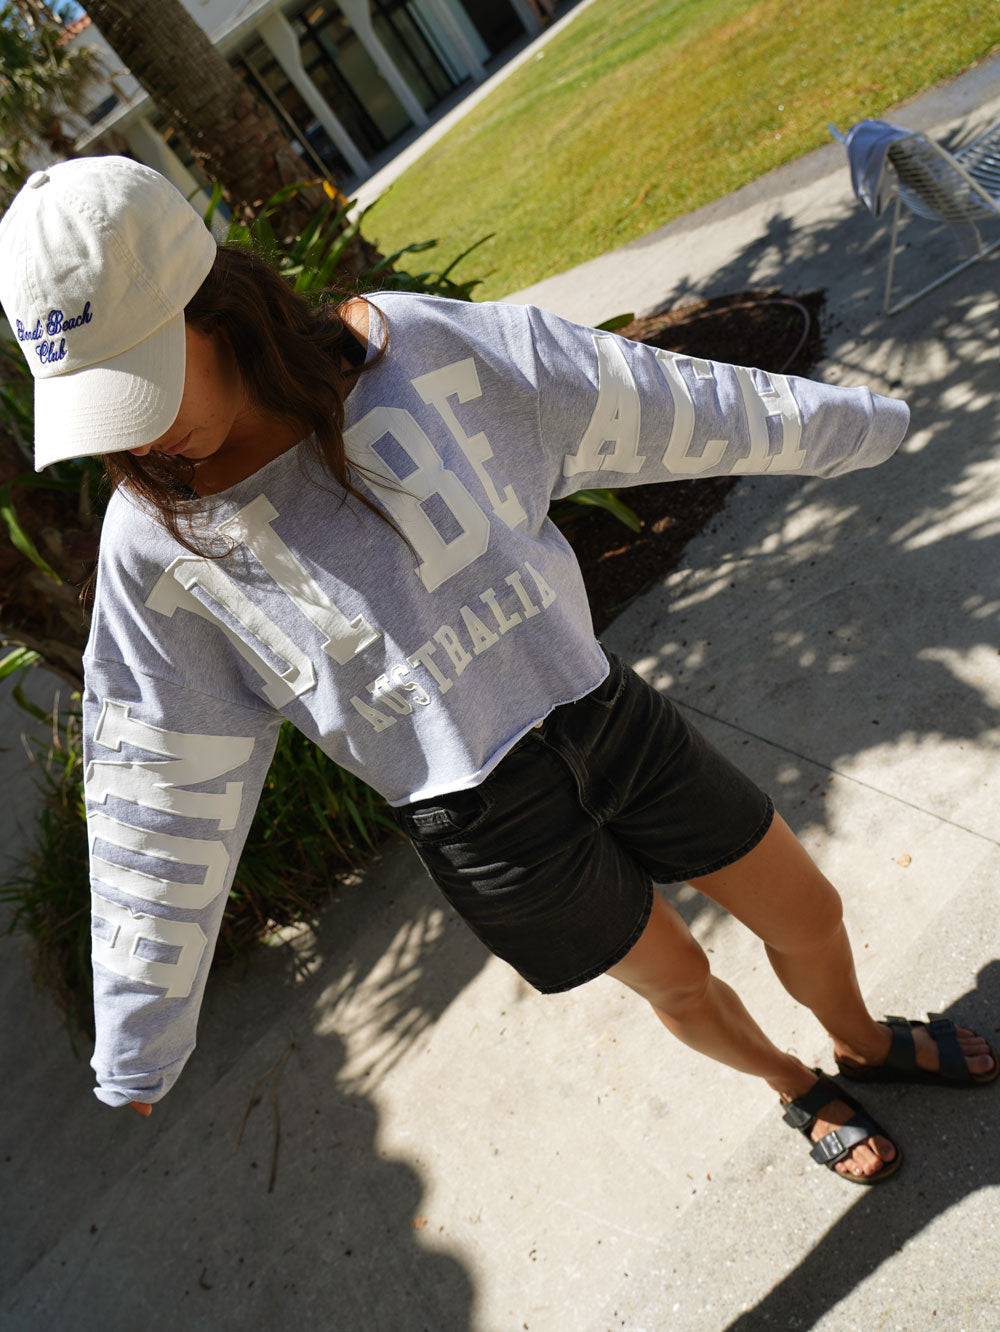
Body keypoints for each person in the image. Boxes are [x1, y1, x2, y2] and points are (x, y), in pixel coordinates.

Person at [1, 156, 994, 1186]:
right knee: (680, 981)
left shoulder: (405, 350)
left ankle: (861, 1042)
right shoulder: (155, 544)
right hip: (478, 822)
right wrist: (141, 1033)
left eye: (143, 378)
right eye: (102, 403)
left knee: (808, 911)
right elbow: (156, 785)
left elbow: (629, 392)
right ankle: (792, 1084)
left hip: (601, 714)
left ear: (216, 306)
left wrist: (856, 425)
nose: (137, 429)